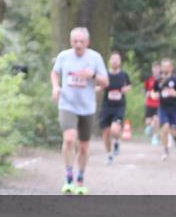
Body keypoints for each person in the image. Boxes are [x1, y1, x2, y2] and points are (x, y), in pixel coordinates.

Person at [51, 27, 109, 194]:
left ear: (87, 42)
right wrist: (56, 87)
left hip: (87, 107)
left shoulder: (95, 58)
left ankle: (80, 179)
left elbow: (105, 82)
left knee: (83, 146)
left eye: (81, 42)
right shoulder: (64, 56)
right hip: (67, 104)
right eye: (75, 41)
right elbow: (55, 73)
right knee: (69, 139)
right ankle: (69, 177)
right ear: (71, 41)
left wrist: (92, 75)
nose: (78, 45)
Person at [99, 51, 132, 164]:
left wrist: (126, 89)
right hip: (106, 106)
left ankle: (117, 141)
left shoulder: (124, 74)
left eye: (117, 59)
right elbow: (99, 86)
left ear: (120, 61)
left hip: (119, 106)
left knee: (114, 129)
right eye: (113, 59)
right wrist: (99, 88)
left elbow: (129, 85)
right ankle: (109, 155)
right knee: (106, 132)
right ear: (109, 61)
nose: (114, 61)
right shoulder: (105, 74)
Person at [154, 59, 176, 160]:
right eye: (163, 66)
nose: (165, 68)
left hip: (173, 108)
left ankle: (175, 137)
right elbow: (154, 91)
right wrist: (154, 95)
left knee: (173, 129)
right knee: (165, 128)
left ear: (171, 67)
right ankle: (166, 150)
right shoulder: (158, 79)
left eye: (167, 66)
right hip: (163, 107)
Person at [143, 61, 161, 143]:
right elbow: (145, 89)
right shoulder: (149, 79)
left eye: (157, 68)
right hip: (149, 103)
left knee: (156, 120)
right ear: (152, 69)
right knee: (148, 122)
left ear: (160, 69)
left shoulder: (162, 79)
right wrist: (147, 93)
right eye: (154, 68)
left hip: (158, 104)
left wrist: (159, 94)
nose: (156, 70)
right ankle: (150, 128)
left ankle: (155, 136)